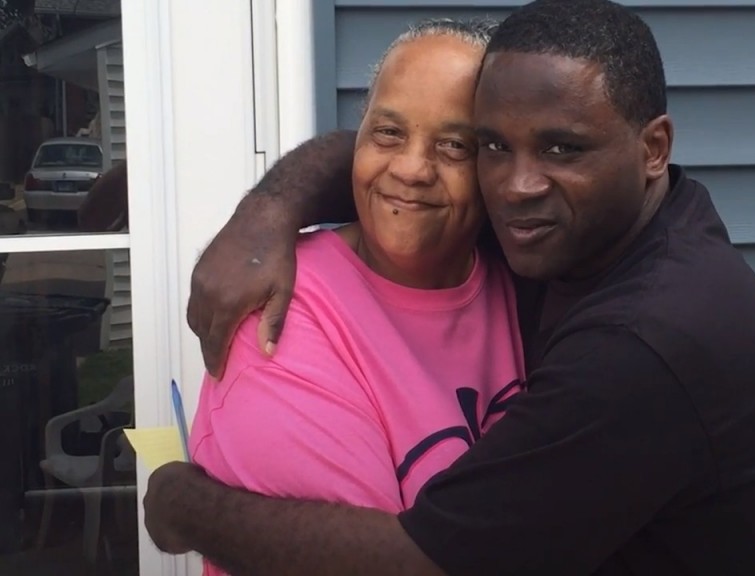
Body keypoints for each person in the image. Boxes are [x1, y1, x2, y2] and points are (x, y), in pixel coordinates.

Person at [145, 1, 755, 574]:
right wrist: (267, 210)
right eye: (490, 147)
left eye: (561, 148)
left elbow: (424, 564)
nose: (518, 186)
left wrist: (190, 509)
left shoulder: (646, 341)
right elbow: (399, 159)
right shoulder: (601, 230)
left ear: (653, 149)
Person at [184, 18, 526, 576]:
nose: (413, 169)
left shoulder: (520, 277)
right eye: (388, 133)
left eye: (454, 145)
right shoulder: (283, 314)